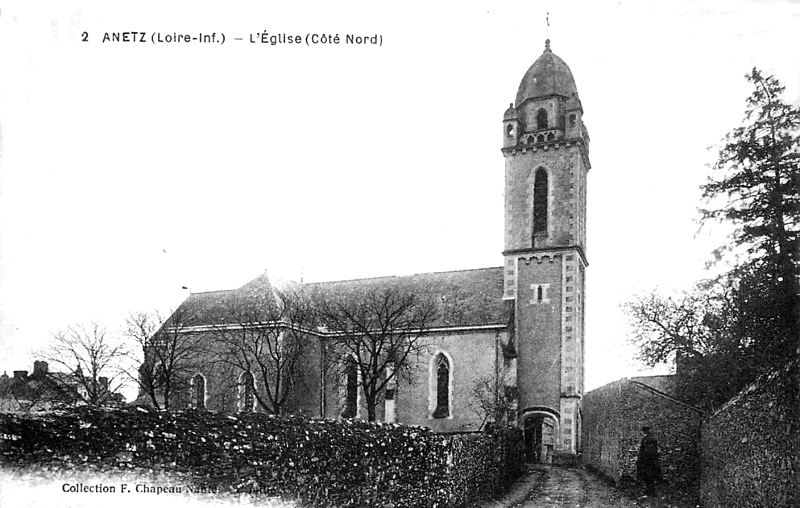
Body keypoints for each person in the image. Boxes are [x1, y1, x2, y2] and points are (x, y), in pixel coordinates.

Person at [636, 426, 662, 496]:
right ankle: (650, 490)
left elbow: (648, 452)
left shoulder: (648, 440)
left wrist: (643, 460)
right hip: (650, 461)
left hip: (648, 461)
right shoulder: (649, 439)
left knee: (649, 476)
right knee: (648, 476)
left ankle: (651, 491)